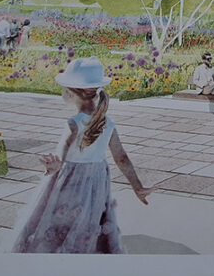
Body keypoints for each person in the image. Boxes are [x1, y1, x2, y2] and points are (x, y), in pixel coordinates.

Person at [11, 57, 153, 253]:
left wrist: (54, 166)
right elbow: (121, 158)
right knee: (90, 218)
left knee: (63, 218)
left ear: (70, 92)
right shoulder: (108, 123)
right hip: (96, 181)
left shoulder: (74, 123)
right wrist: (137, 187)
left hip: (70, 181)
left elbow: (61, 156)